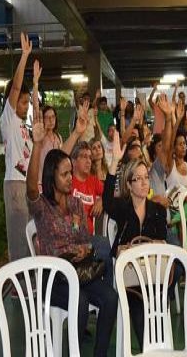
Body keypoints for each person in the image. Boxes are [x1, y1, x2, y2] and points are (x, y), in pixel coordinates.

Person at [26, 109, 117, 357]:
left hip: (79, 272)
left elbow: (85, 238)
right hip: (55, 279)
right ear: (51, 176)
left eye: (69, 173)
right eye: (64, 174)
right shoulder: (42, 207)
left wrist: (86, 248)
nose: (70, 179)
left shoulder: (75, 203)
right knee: (81, 302)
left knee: (110, 298)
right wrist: (36, 146)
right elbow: (31, 186)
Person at [102, 137, 168, 351]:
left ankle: (158, 348)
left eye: (146, 178)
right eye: (137, 179)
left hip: (151, 273)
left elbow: (162, 240)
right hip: (128, 276)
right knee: (139, 304)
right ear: (129, 185)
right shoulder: (122, 208)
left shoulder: (157, 210)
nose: (143, 182)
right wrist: (114, 163)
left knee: (158, 297)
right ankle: (149, 351)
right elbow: (106, 202)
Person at [1, 32, 33, 263]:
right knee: (19, 236)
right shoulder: (9, 119)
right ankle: (18, 286)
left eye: (28, 102)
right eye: (23, 102)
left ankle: (29, 281)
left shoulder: (23, 126)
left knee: (28, 235)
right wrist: (24, 57)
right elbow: (14, 89)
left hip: (26, 185)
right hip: (14, 184)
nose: (26, 106)